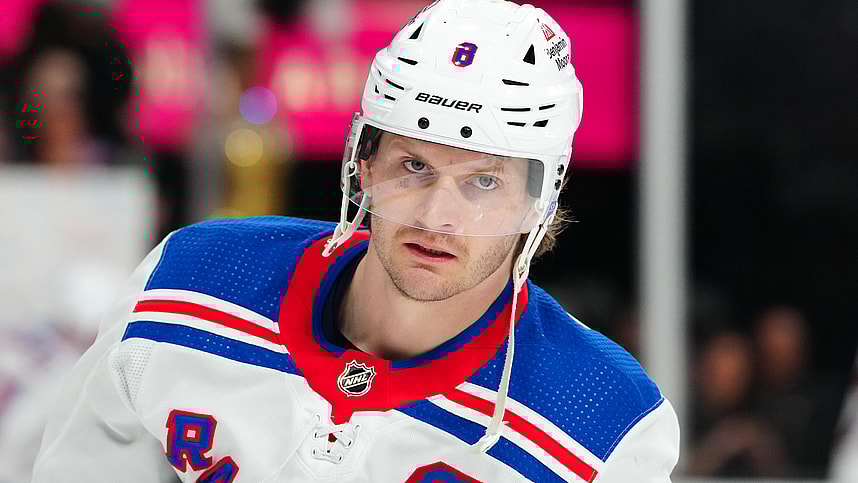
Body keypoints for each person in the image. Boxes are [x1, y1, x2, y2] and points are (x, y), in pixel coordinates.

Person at [32, 0, 679, 481]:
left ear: (539, 199)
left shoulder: (604, 424)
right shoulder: (186, 285)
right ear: (362, 164)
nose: (437, 214)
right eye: (414, 165)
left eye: (483, 180)